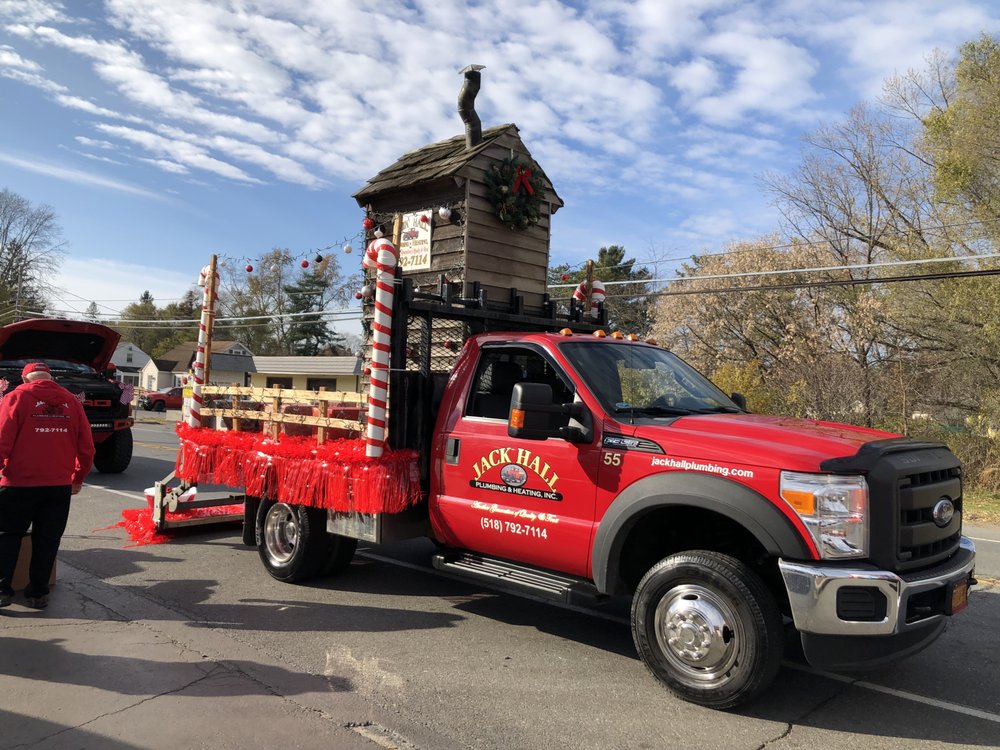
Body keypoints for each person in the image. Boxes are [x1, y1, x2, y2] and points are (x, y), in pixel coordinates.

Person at [0, 362, 94, 609]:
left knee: (7, 536)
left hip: (17, 484)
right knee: (47, 539)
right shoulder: (72, 402)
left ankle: (2, 590)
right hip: (57, 486)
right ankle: (38, 593)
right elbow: (86, 448)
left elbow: (1, 440)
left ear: (24, 379)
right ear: (51, 379)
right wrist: (77, 479)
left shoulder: (16, 398)